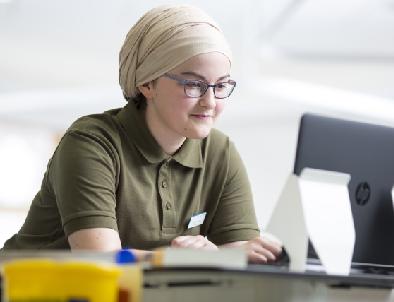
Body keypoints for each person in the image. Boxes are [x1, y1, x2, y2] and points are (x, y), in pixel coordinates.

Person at [2, 4, 282, 263]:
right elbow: (102, 258)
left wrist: (244, 254)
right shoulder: (92, 142)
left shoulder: (220, 153)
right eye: (194, 84)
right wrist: (190, 258)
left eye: (221, 86)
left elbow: (240, 254)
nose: (210, 102)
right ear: (147, 84)